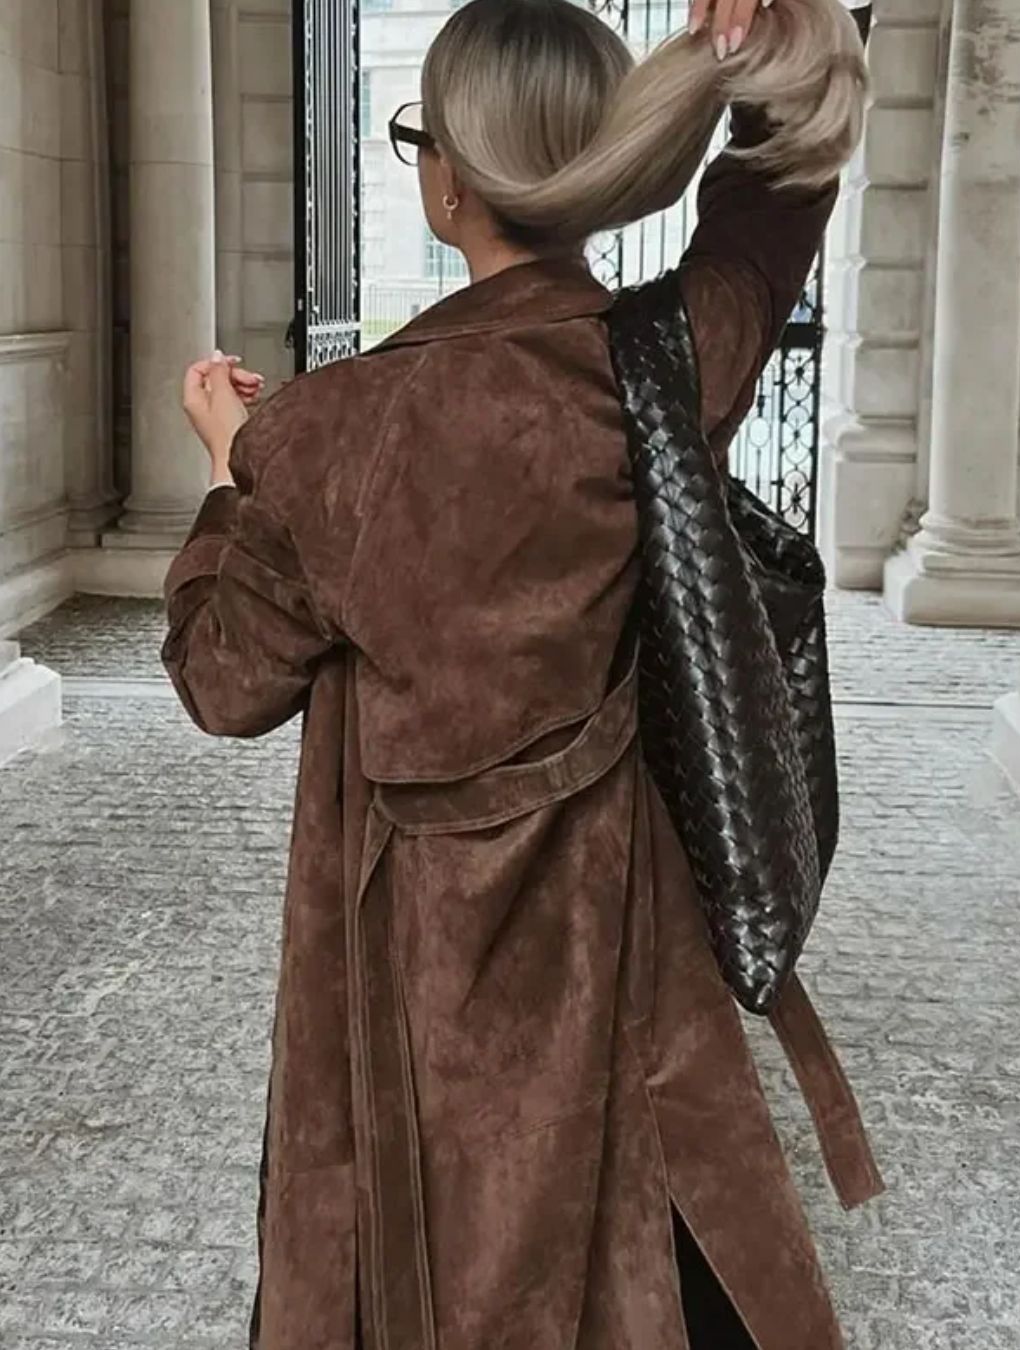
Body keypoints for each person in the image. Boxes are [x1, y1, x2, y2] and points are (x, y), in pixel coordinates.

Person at [166, 1, 878, 1346]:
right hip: (618, 929)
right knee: (650, 1251)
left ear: (447, 180)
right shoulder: (660, 366)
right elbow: (776, 194)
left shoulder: (325, 433)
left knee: (392, 1241)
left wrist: (225, 478)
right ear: (599, 166)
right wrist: (780, 33)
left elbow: (223, 682)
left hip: (392, 957)